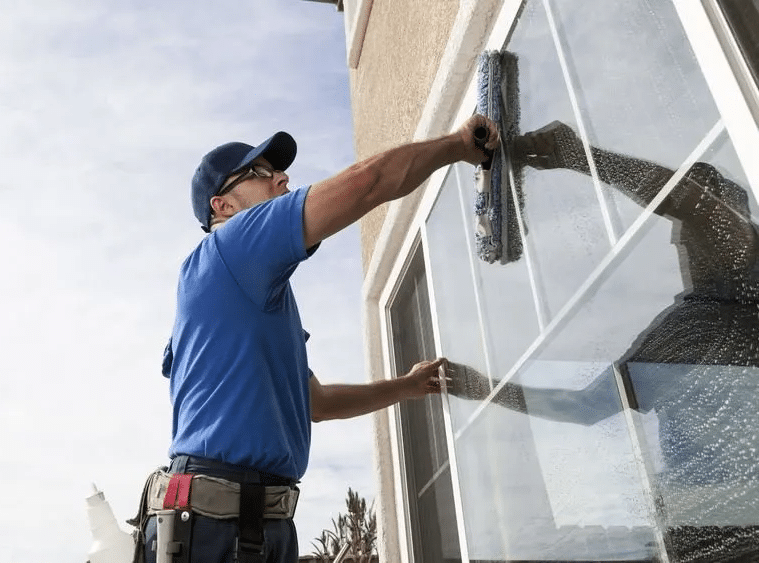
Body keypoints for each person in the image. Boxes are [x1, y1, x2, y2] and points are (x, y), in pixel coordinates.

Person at [139, 114, 499, 563]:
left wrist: (406, 386)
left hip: (250, 523)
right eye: (261, 174)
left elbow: (317, 403)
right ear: (223, 206)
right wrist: (459, 145)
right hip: (215, 526)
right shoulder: (231, 249)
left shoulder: (252, 299)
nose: (281, 178)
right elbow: (367, 183)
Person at [450, 120, 759, 563]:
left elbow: (584, 407)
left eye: (685, 233)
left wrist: (482, 390)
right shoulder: (719, 317)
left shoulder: (697, 329)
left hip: (708, 538)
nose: (678, 246)